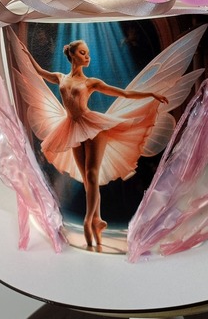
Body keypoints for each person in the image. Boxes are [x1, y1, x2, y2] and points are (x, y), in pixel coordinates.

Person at [22, 39, 168, 249]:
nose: (87, 57)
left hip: (92, 127)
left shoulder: (91, 82)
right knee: (87, 179)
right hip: (72, 128)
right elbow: (40, 72)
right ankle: (97, 219)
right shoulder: (60, 77)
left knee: (92, 175)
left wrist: (150, 94)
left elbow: (123, 93)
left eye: (88, 53)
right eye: (83, 53)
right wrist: (27, 54)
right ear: (72, 55)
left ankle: (89, 219)